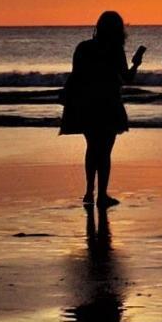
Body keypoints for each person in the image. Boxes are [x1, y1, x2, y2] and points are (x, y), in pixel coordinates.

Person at [59, 11, 145, 207]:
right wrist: (136, 64)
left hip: (86, 102)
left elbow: (76, 76)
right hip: (108, 102)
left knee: (91, 148)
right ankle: (102, 195)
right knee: (104, 151)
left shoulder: (83, 47)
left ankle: (89, 192)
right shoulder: (115, 50)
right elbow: (127, 78)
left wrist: (69, 98)